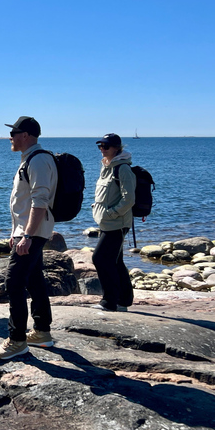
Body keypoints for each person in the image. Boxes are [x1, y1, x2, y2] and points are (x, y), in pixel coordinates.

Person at [0, 116, 57, 360]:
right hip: (30, 231)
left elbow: (40, 200)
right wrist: (16, 232)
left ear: (26, 135)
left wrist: (27, 235)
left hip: (34, 231)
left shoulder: (38, 160)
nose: (11, 137)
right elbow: (24, 202)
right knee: (34, 279)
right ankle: (42, 332)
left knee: (14, 282)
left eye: (14, 132)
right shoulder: (31, 159)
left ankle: (17, 340)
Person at [91, 133, 135, 312]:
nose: (102, 149)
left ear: (117, 148)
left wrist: (112, 213)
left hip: (117, 223)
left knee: (100, 259)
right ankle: (124, 300)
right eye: (100, 145)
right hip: (107, 223)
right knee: (115, 261)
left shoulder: (122, 168)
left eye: (106, 146)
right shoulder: (107, 167)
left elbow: (129, 199)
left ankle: (109, 301)